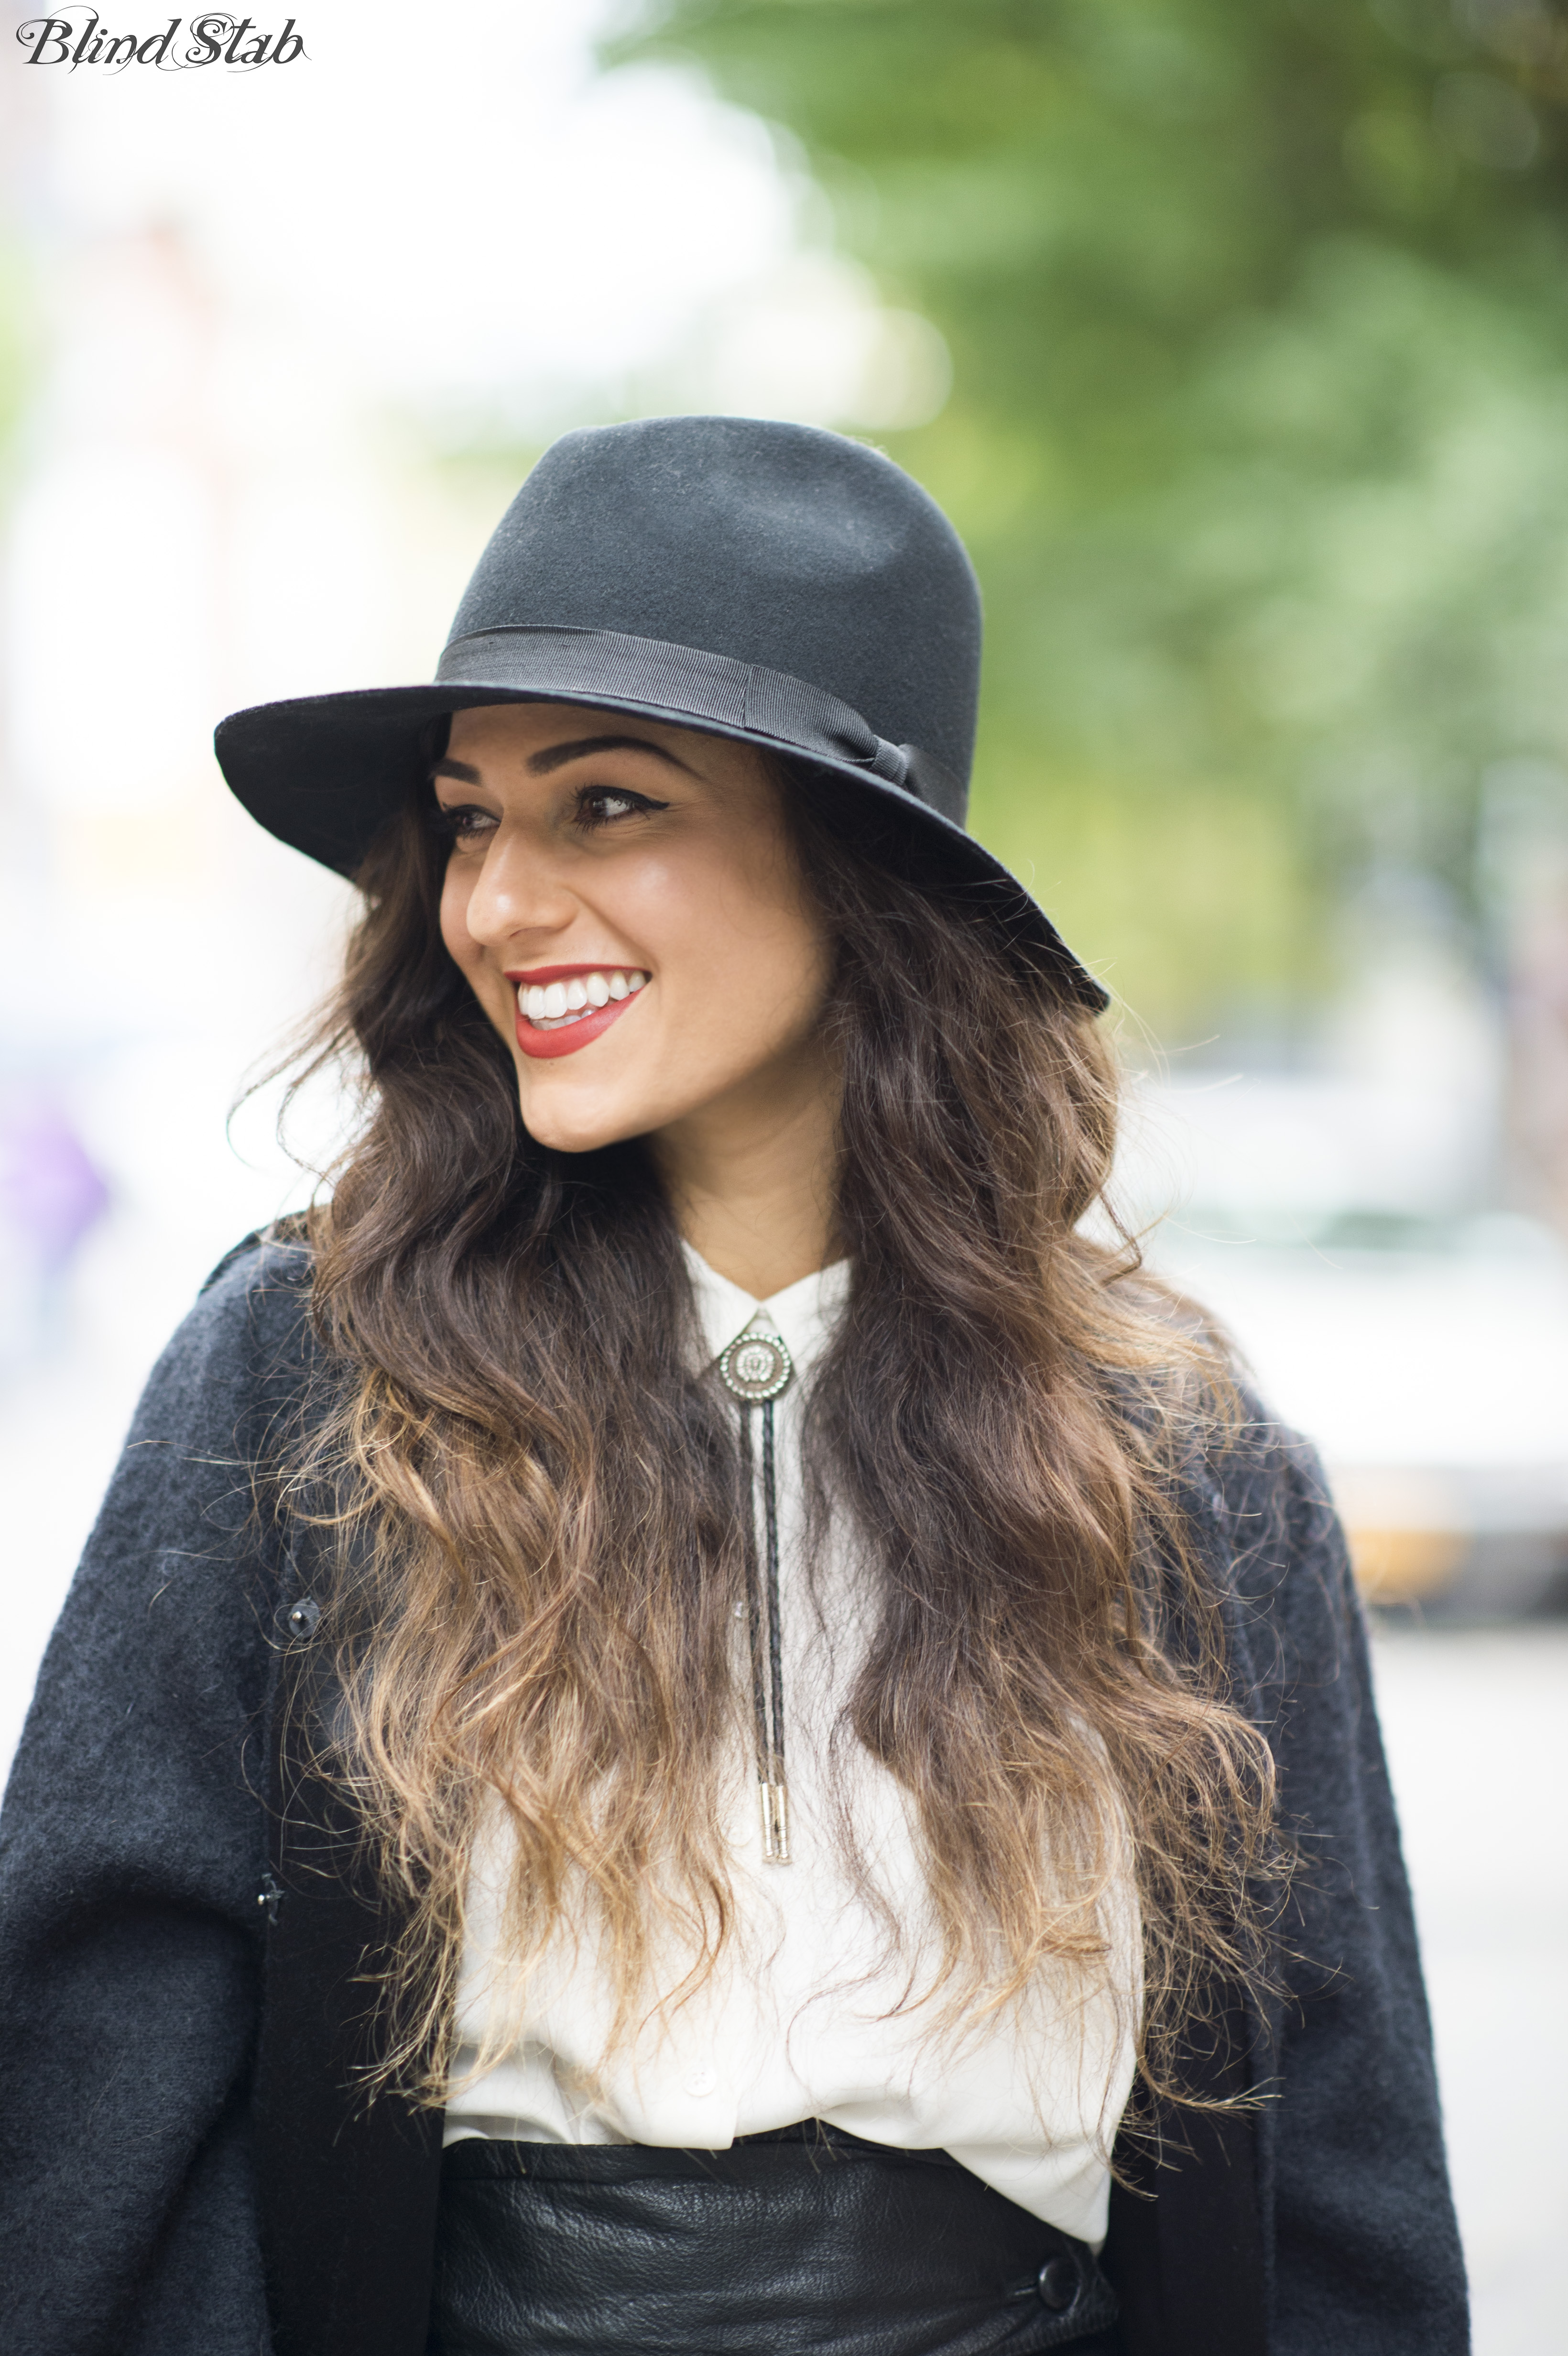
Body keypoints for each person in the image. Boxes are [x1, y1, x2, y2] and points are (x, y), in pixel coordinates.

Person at [0, 417, 1466, 2356]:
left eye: (606, 803)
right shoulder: (302, 1382)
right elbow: (93, 2100)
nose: (499, 902)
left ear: (851, 860)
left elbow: (1338, 2189)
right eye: (466, 816)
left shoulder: (1177, 1459)